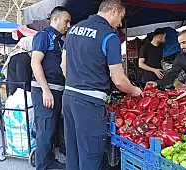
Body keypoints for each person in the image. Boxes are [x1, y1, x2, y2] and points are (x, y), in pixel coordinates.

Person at [61, 0, 142, 169]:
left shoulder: (73, 30)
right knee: (90, 156)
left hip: (68, 97)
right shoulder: (109, 36)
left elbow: (63, 66)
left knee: (73, 152)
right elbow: (119, 80)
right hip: (90, 103)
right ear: (113, 11)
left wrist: (77, 83)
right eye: (121, 17)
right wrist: (135, 91)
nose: (120, 23)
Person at [31, 6, 71, 170]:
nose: (68, 25)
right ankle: (43, 165)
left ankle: (49, 160)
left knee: (52, 128)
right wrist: (46, 90)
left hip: (57, 90)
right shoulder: (43, 36)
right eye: (66, 21)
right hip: (44, 90)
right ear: (55, 19)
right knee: (45, 130)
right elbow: (35, 62)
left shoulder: (60, 41)